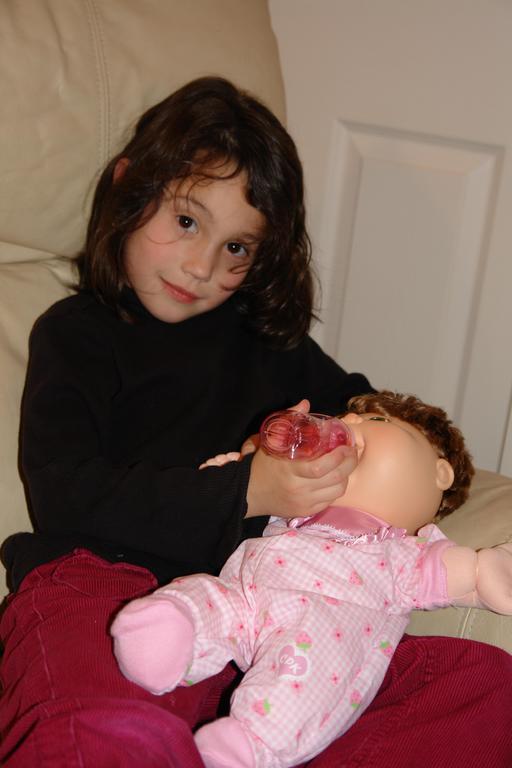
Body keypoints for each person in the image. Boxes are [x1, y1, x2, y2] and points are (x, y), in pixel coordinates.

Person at [0, 77, 510, 767]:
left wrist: (354, 458)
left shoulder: (269, 343)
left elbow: (374, 415)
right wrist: (247, 490)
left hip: (270, 611)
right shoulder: (78, 333)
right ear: (127, 189)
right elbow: (65, 492)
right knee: (111, 731)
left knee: (479, 683)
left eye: (237, 248)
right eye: (187, 222)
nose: (202, 266)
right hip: (102, 585)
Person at [110, 391, 512, 768]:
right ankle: (170, 636)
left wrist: (493, 569)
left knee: (307, 678)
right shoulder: (287, 512)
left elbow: (476, 576)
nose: (349, 423)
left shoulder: (405, 555)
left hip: (317, 635)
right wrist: (252, 466)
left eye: (375, 420)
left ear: (438, 472)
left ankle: (252, 743)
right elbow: (220, 501)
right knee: (203, 595)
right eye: (344, 418)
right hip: (243, 598)